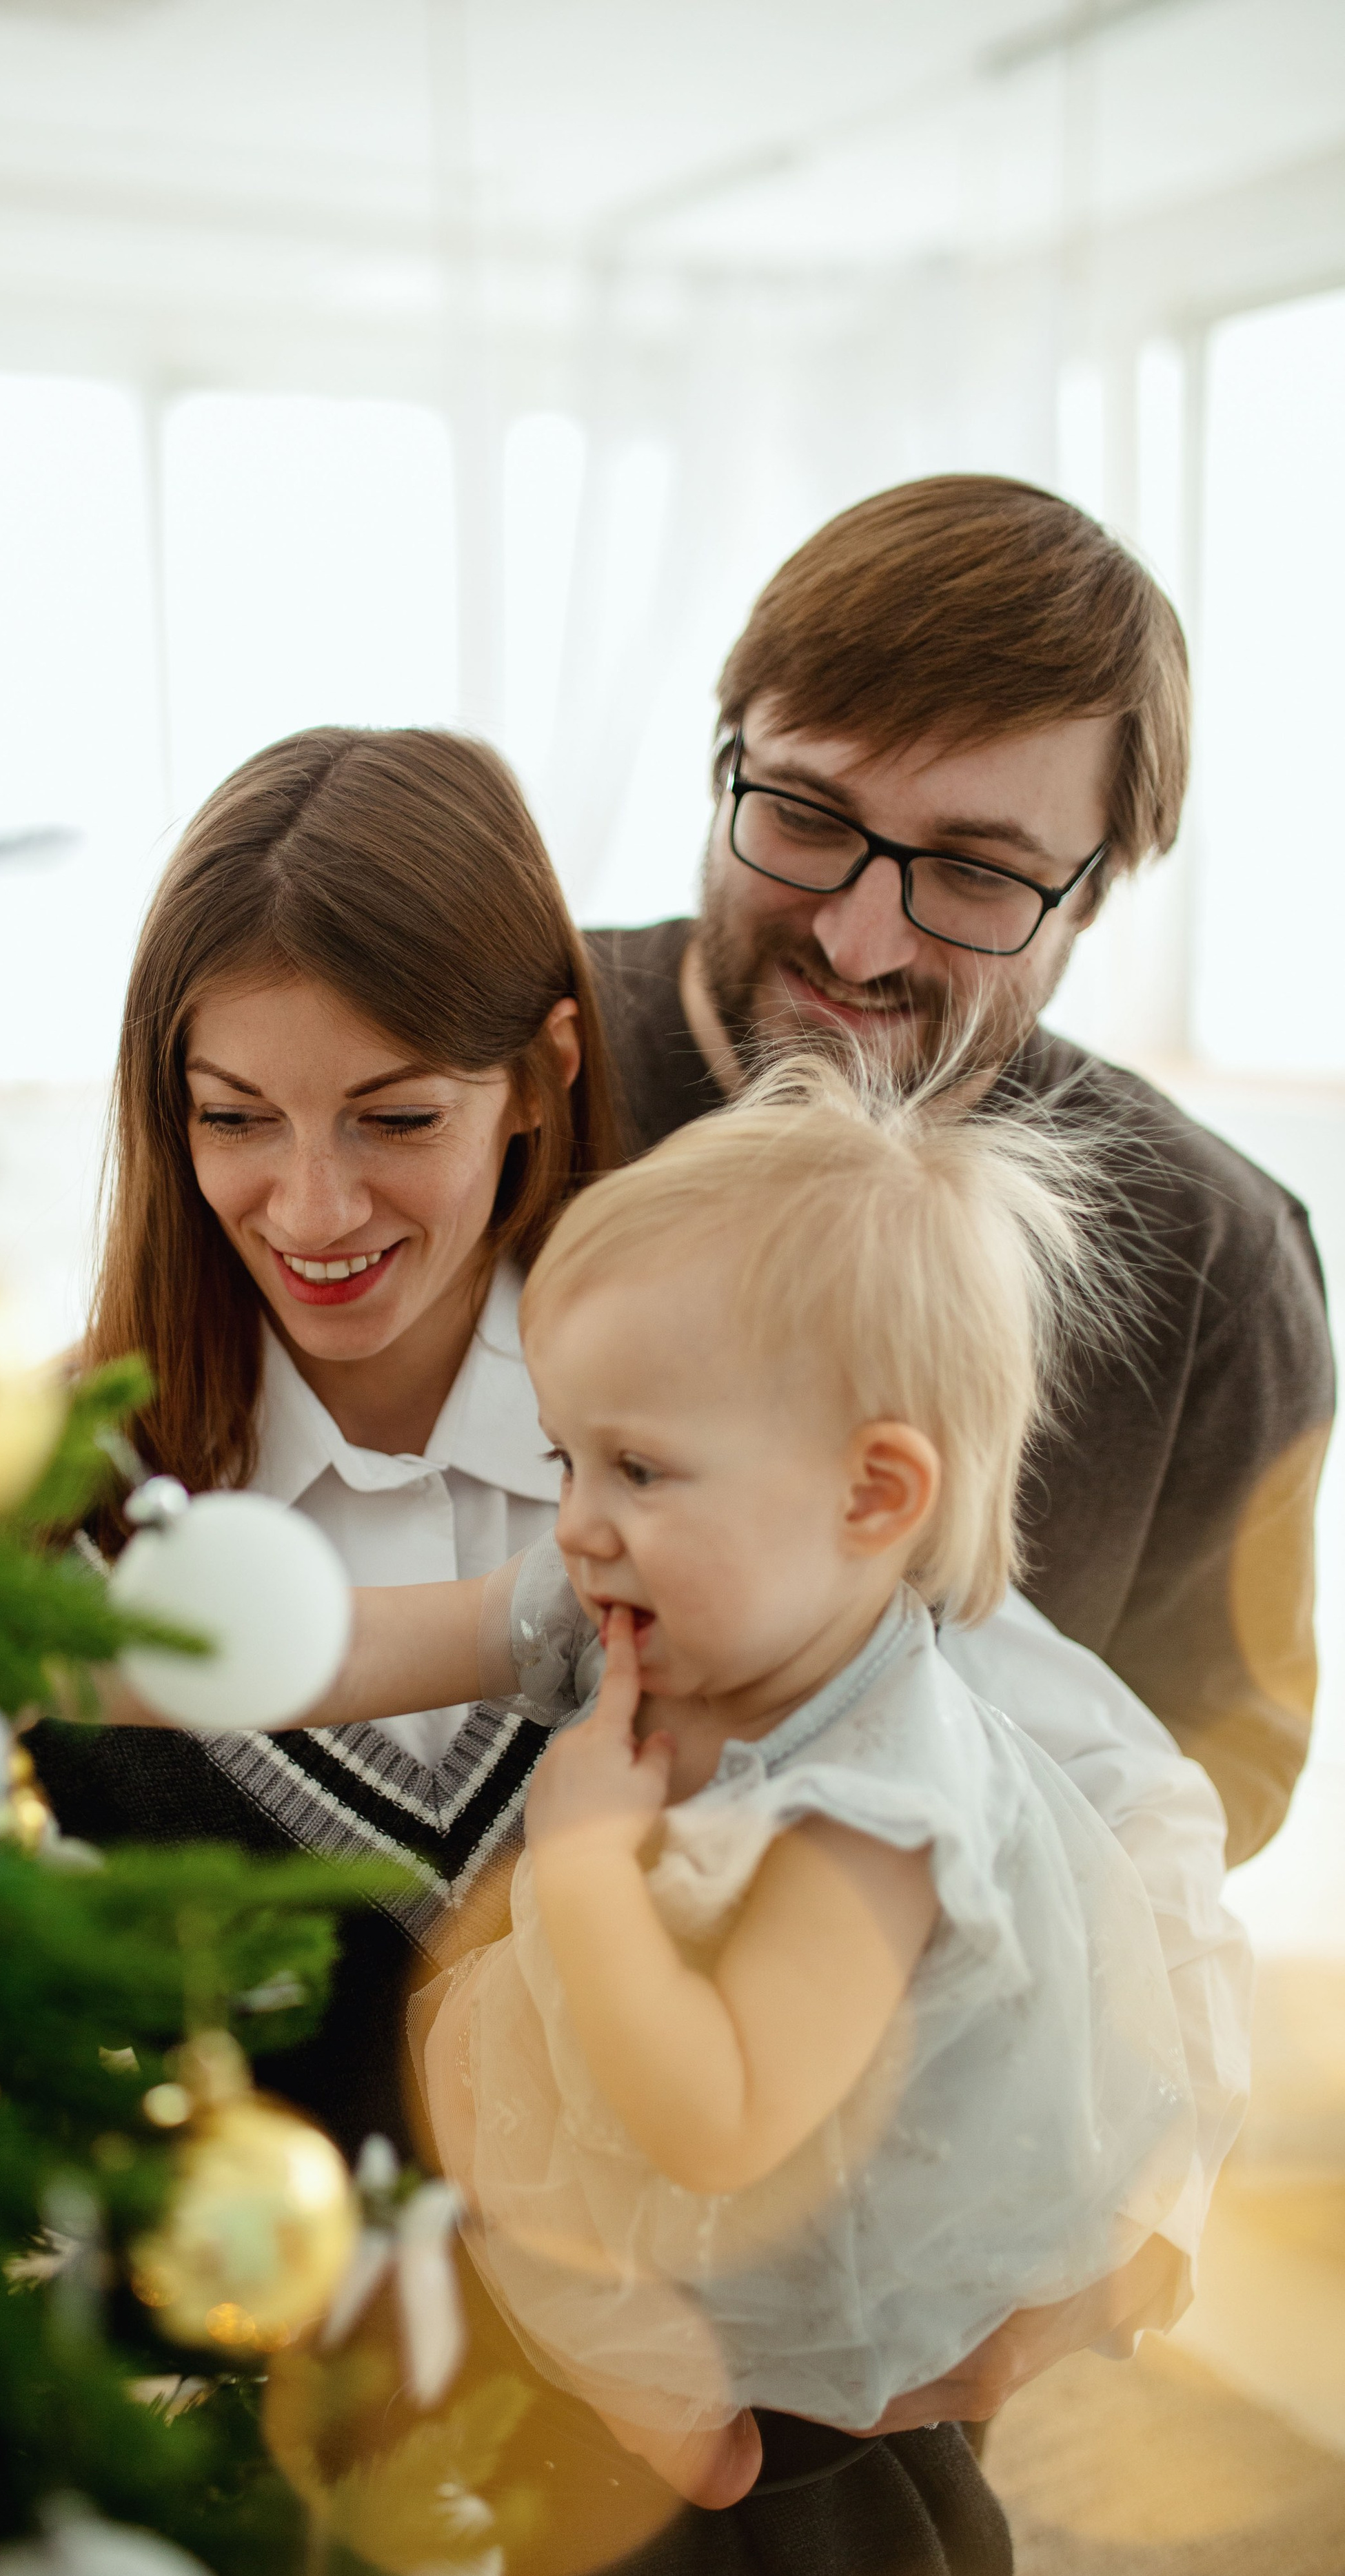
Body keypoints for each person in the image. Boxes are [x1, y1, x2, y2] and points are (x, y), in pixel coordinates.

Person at [27, 722, 1246, 2576]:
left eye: (396, 1116)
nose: (313, 1206)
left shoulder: (745, 1424)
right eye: (231, 1114)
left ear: (542, 1076)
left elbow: (1120, 1799)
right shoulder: (48, 1520)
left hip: (798, 2556)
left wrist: (1114, 2253)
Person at [300, 1061, 1203, 2522]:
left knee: (518, 2146)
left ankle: (687, 2425)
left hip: (831, 2175)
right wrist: (114, 1651)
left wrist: (580, 1869)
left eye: (638, 1470)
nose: (574, 1523)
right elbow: (373, 1644)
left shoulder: (875, 1817)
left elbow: (714, 2127)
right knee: (485, 2071)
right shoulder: (681, 1605)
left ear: (868, 1498)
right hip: (686, 2030)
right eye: (564, 1458)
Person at [584, 473, 1334, 1886]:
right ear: (718, 761)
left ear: (1093, 895)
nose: (861, 941)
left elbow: (1223, 1753)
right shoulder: (464, 1072)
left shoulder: (1216, 1268)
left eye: (975, 874)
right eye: (802, 816)